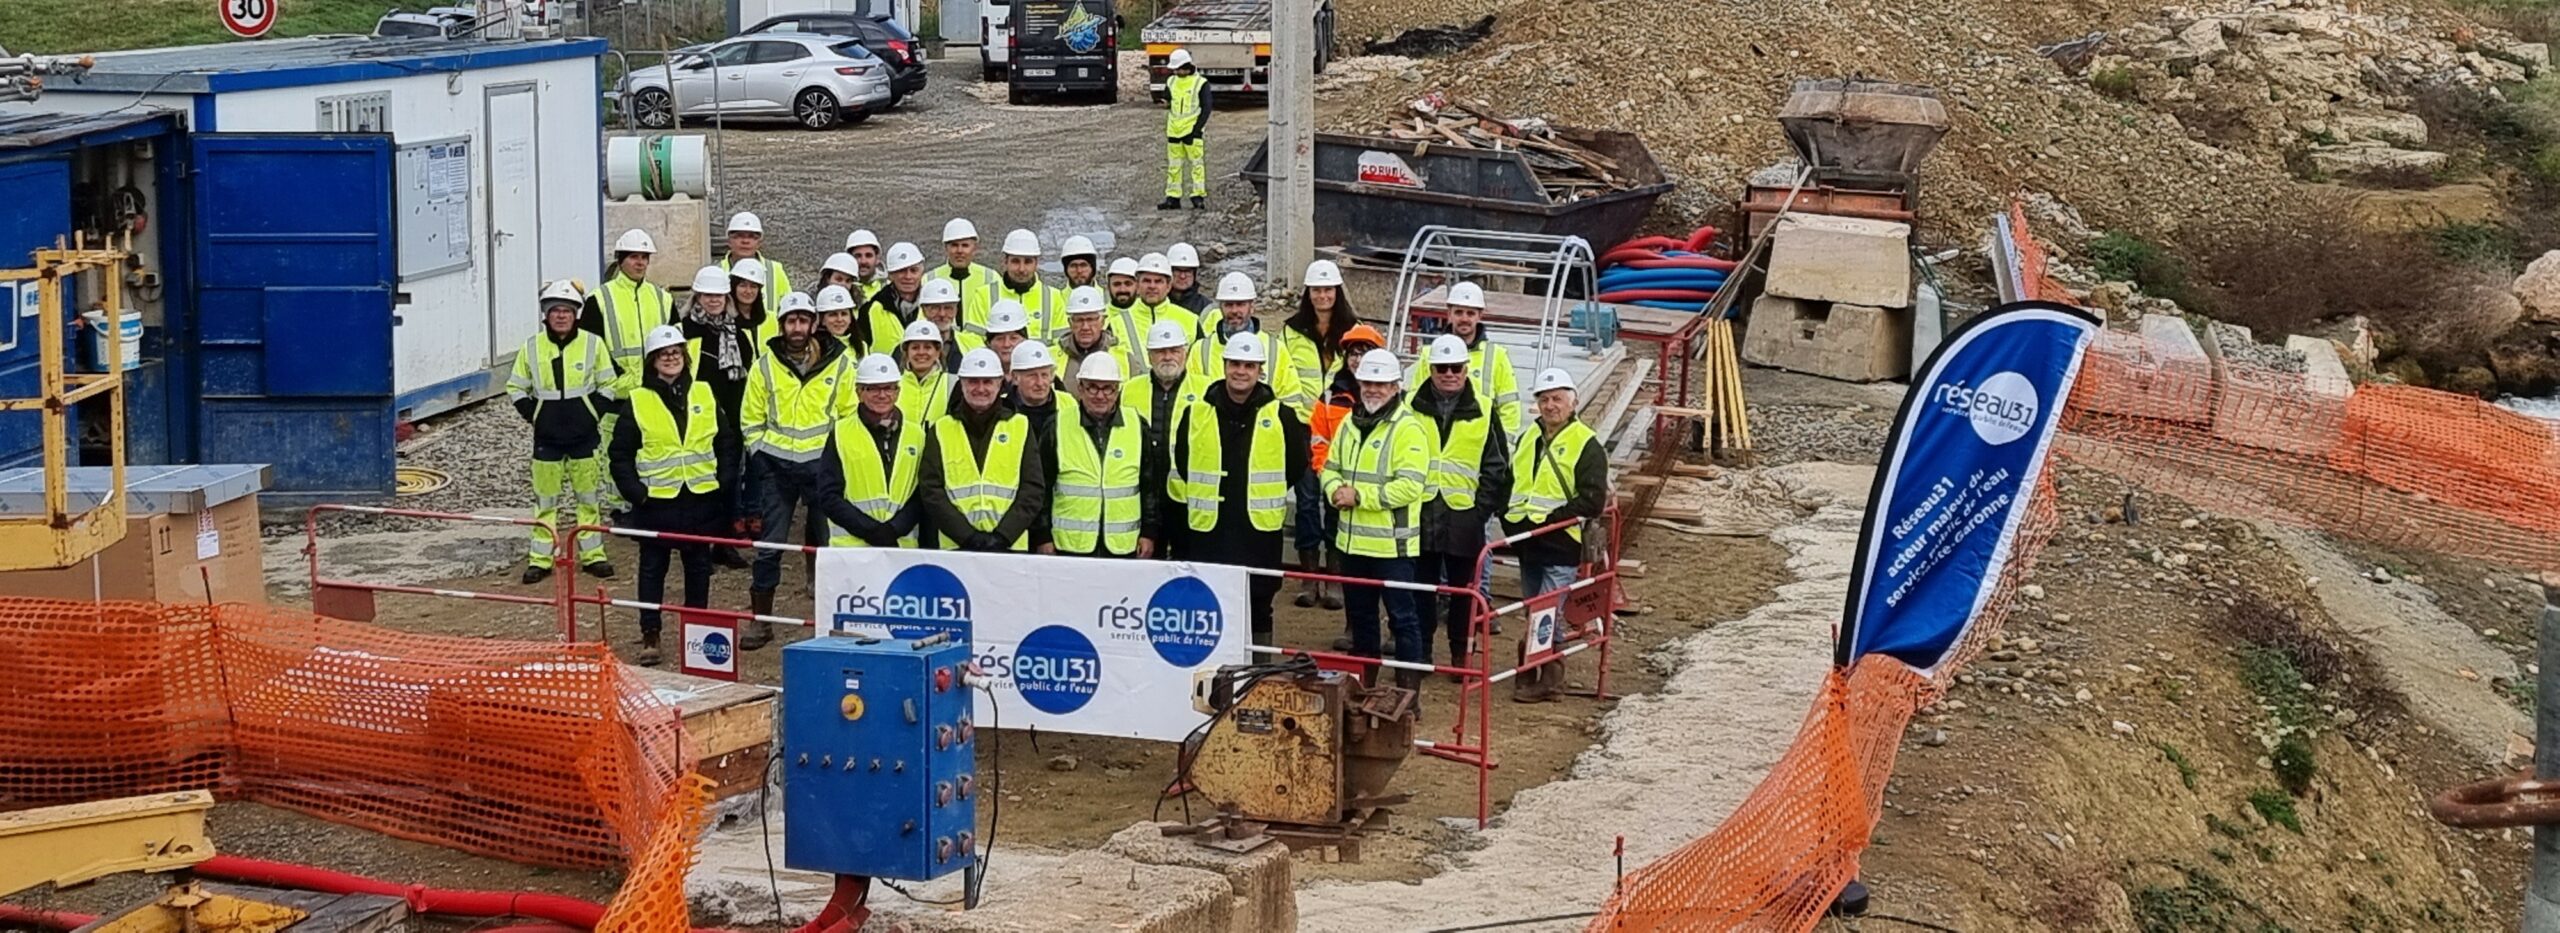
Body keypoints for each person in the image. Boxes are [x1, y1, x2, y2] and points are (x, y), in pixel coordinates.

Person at [1169, 332, 1308, 642]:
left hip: (1258, 531)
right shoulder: (1196, 413)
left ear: (1260, 370)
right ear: (1225, 366)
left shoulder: (1282, 416)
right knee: (1208, 604)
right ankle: (1212, 664)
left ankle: (1257, 664)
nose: (1241, 371)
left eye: (1249, 365)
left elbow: (1296, 465)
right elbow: (1184, 461)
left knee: (1259, 605)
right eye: (1235, 364)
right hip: (1210, 531)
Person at [739, 291, 857, 649]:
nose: (797, 327)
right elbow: (750, 419)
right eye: (791, 321)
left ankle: (837, 622)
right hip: (778, 470)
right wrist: (762, 458)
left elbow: (848, 415)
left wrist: (834, 462)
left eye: (803, 320)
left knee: (830, 546)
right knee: (769, 547)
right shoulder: (764, 366)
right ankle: (762, 622)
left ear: (813, 323)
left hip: (822, 469)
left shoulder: (840, 363)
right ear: (781, 325)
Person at [609, 324, 725, 666]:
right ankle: (651, 634)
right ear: (652, 361)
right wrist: (637, 494)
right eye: (663, 354)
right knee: (652, 569)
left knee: (699, 567)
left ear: (685, 357)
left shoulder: (704, 392)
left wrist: (724, 481)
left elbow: (726, 442)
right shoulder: (638, 400)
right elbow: (620, 455)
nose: (671, 358)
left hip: (699, 497)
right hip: (656, 502)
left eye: (675, 353)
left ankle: (697, 634)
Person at [1323, 348, 1435, 688]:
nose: (1373, 390)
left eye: (1381, 384)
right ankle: (1364, 688)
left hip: (1392, 548)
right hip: (1352, 543)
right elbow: (1330, 468)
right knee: (1361, 620)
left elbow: (1410, 487)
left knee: (1403, 620)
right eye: (1368, 383)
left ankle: (1407, 695)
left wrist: (1359, 497)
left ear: (1395, 387)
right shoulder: (1349, 424)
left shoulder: (1408, 429)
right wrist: (1334, 491)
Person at [1503, 367, 1608, 702]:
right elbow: (1513, 483)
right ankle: (1543, 672)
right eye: (1545, 399)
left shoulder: (1586, 444)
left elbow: (1592, 499)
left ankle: (1541, 675)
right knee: (1537, 609)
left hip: (1561, 542)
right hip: (1528, 542)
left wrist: (1550, 521)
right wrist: (1510, 521)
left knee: (1544, 611)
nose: (1550, 406)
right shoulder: (1528, 438)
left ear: (1573, 402)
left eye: (1557, 399)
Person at [508, 281, 618, 584]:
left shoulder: (593, 344)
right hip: (547, 439)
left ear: (575, 314)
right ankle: (540, 559)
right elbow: (516, 386)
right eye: (554, 310)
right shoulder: (531, 347)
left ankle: (593, 556)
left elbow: (609, 383)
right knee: (545, 502)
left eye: (566, 311)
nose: (560, 316)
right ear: (545, 314)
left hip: (585, 437)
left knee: (589, 499)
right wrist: (535, 416)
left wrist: (593, 413)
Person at [1414, 334, 1512, 674]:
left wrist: (1480, 511)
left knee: (1464, 594)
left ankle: (1461, 654)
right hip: (1422, 513)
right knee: (1420, 590)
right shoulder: (1410, 405)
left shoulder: (1484, 409)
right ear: (1431, 370)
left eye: (1456, 368)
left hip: (1464, 517)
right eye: (1442, 368)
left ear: (1466, 370)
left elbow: (1497, 466)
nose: (1449, 374)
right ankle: (1421, 653)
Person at [919, 348, 1049, 551]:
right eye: (973, 381)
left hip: (1009, 547)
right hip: (956, 548)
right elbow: (931, 491)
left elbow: (1032, 490)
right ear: (962, 384)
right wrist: (966, 536)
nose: (980, 388)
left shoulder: (1021, 426)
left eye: (987, 381)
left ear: (999, 384)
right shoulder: (941, 429)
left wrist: (1004, 536)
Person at [1041, 352, 1165, 559]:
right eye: (1092, 387)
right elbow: (1043, 487)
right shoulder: (1057, 425)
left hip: (1123, 546)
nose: (1100, 396)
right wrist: (1043, 536)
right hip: (1070, 546)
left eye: (1108, 388)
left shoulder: (1137, 425)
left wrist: (1149, 533)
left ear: (1117, 390)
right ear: (1080, 388)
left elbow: (1150, 486)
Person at [678, 265, 758, 570]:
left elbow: (749, 375)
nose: (714, 300)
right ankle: (697, 547)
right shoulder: (685, 331)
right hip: (697, 418)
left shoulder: (737, 331)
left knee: (728, 480)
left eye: (719, 295)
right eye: (707, 295)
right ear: (697, 297)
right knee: (698, 485)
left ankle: (723, 545)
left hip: (732, 419)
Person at [1301, 323, 1383, 614]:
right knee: (1312, 514)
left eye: (1364, 353)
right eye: (1353, 353)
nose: (1357, 360)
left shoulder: (1385, 397)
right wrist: (1327, 475)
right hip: (1330, 473)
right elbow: (1319, 438)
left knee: (1342, 528)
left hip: (1368, 482)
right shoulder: (1330, 395)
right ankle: (1315, 580)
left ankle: (1338, 581)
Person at [811, 353, 927, 549]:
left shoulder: (917, 434)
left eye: (888, 388)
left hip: (902, 547)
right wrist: (870, 530)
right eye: (873, 388)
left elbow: (922, 492)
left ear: (898, 392)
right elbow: (829, 495)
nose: (882, 395)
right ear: (859, 392)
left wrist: (895, 529)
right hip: (853, 549)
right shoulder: (840, 433)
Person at [1409, 282, 1521, 439]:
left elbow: (1509, 407)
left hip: (1479, 442)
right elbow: (1415, 402)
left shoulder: (1496, 356)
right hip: (1435, 440)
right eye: (1459, 312)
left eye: (1470, 313)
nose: (1464, 319)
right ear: (1449, 313)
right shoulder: (1429, 355)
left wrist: (1502, 445)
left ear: (1480, 315)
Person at [1189, 272, 1297, 406]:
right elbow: (1191, 399)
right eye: (1229, 304)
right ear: (1220, 307)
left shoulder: (1275, 349)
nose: (1234, 310)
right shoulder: (1200, 350)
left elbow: (1291, 399)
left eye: (1240, 304)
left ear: (1252, 307)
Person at [585, 229, 672, 388]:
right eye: (633, 257)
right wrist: (618, 375)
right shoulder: (599, 298)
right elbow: (590, 347)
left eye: (644, 257)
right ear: (620, 260)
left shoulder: (663, 298)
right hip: (615, 390)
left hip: (657, 387)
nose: (640, 263)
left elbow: (675, 345)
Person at [1279, 259, 1356, 415]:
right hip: (1301, 419)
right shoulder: (1291, 331)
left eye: (1328, 290)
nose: (1322, 295)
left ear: (1337, 292)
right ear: (1308, 293)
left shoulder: (1354, 330)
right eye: (1316, 290)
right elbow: (1281, 375)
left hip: (1341, 418)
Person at [1128, 319, 1207, 444]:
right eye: (1160, 351)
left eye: (1174, 351)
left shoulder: (1206, 389)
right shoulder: (1129, 390)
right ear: (1149, 356)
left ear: (1185, 354)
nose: (1168, 357)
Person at [720, 213, 790, 339]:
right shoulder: (717, 271)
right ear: (729, 241)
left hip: (768, 342)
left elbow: (788, 307)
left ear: (759, 242)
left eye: (752, 237)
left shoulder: (775, 270)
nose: (745, 241)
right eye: (739, 236)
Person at [1052, 286, 1132, 397]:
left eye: (1091, 320)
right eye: (1079, 320)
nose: (1085, 327)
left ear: (1102, 322)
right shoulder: (1051, 358)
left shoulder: (1125, 359)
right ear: (1070, 323)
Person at [927, 218, 1001, 335]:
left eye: (965, 245)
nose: (959, 251)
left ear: (975, 248)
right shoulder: (929, 279)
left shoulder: (991, 278)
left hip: (980, 344)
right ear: (945, 248)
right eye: (954, 245)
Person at [1160, 48, 1210, 211]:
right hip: (1174, 130)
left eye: (1177, 69)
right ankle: (1173, 198)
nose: (1175, 72)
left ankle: (1198, 196)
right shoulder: (1171, 81)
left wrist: (1197, 130)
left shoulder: (1200, 83)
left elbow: (1206, 108)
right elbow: (1167, 98)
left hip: (1192, 132)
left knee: (1196, 165)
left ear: (1186, 67)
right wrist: (1165, 102)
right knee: (1174, 166)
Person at [860, 242, 930, 355]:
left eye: (913, 270)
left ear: (922, 272)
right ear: (890, 275)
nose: (908, 277)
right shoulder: (869, 311)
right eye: (901, 271)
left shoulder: (934, 305)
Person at [995, 230, 1062, 338]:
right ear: (1005, 262)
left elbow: (1062, 342)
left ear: (1036, 264)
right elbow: (973, 338)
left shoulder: (1054, 298)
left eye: (1028, 262)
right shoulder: (984, 296)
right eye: (1015, 261)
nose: (1021, 269)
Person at [1005, 340, 1062, 459]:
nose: (1040, 383)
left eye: (1044, 375)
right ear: (1015, 378)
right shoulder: (1001, 407)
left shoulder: (1068, 403)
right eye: (1032, 376)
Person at [895, 318, 957, 423]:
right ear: (906, 352)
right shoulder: (893, 384)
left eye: (927, 347)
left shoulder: (954, 383)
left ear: (937, 352)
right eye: (915, 348)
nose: (921, 352)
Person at [1133, 252, 1200, 341]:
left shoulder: (1191, 321)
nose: (1152, 286)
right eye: (1146, 281)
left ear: (1168, 286)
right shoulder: (1118, 321)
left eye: (1158, 281)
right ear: (1137, 285)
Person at [917, 278, 981, 362]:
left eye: (948, 308)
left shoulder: (973, 345)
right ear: (923, 310)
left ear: (956, 310)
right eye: (935, 308)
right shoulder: (911, 347)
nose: (942, 314)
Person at [1101, 257, 1148, 351]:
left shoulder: (1148, 316)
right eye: (1117, 284)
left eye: (1128, 284)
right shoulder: (1099, 317)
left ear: (1138, 286)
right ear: (1108, 287)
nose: (1122, 289)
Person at [728, 258, 773, 346]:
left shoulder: (772, 320)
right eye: (743, 285)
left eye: (753, 286)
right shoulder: (723, 322)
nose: (748, 291)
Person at [814, 284, 864, 353]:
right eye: (833, 314)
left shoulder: (862, 345)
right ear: (822, 320)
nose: (839, 319)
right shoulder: (814, 348)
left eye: (844, 314)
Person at [985, 300, 1033, 368]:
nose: (1006, 344)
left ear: (1025, 340)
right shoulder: (977, 373)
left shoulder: (1038, 372)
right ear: (989, 343)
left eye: (1013, 338)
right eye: (1000, 339)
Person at [1166, 243, 1210, 314]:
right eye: (1177, 270)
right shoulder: (1157, 304)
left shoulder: (1206, 308)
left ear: (1194, 274)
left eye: (1188, 271)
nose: (1182, 276)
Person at [844, 230, 886, 301]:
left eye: (868, 255)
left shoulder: (892, 290)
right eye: (857, 256)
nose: (863, 261)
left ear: (877, 259)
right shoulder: (840, 289)